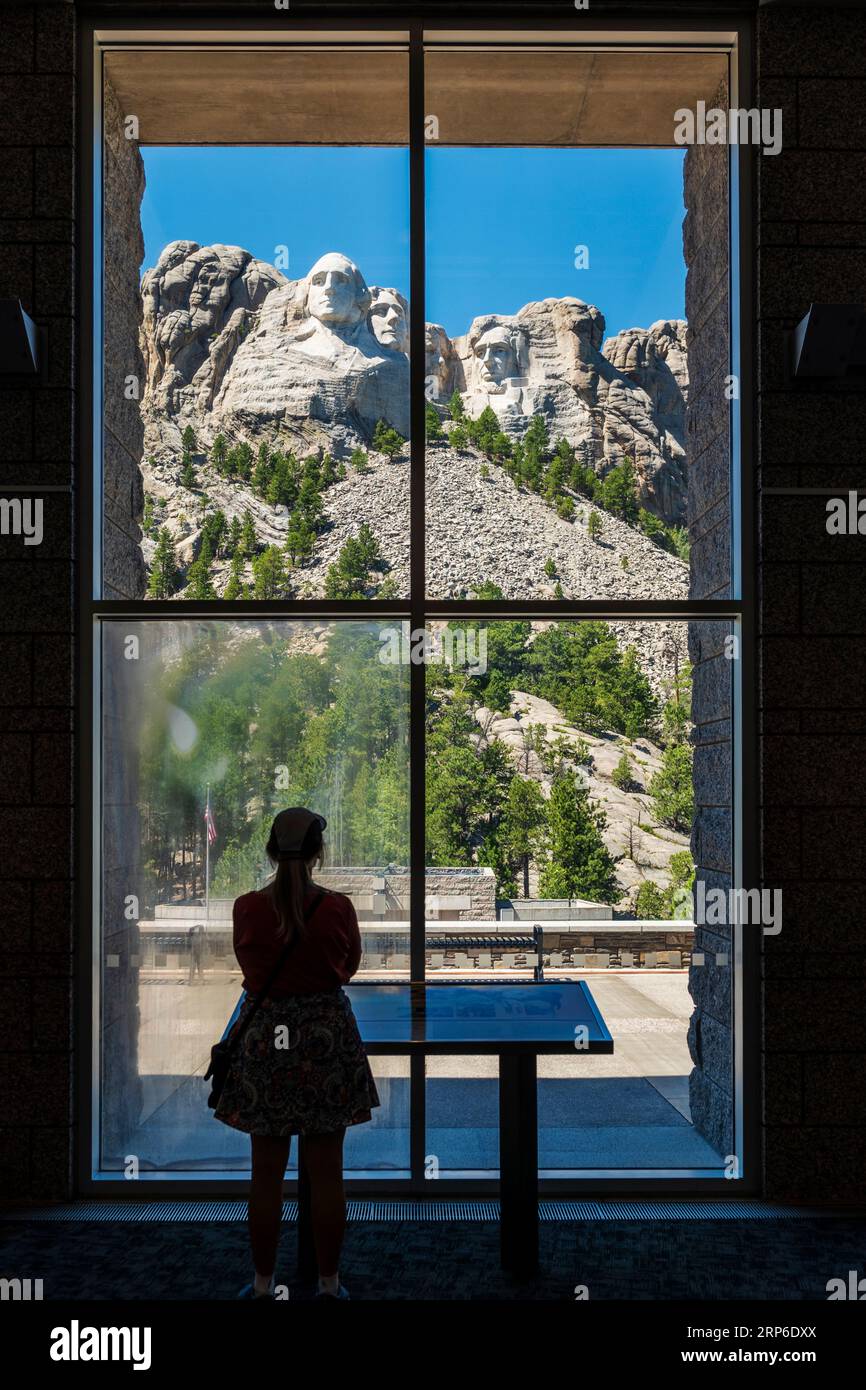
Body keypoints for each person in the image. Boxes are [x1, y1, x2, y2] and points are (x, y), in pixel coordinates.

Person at [213, 807, 379, 1301]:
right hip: (325, 1039)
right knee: (327, 1172)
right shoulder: (337, 908)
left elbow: (249, 966)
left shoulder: (246, 907)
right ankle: (329, 1285)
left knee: (265, 1173)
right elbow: (348, 966)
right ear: (316, 854)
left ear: (269, 851)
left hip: (268, 1040)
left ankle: (263, 1285)